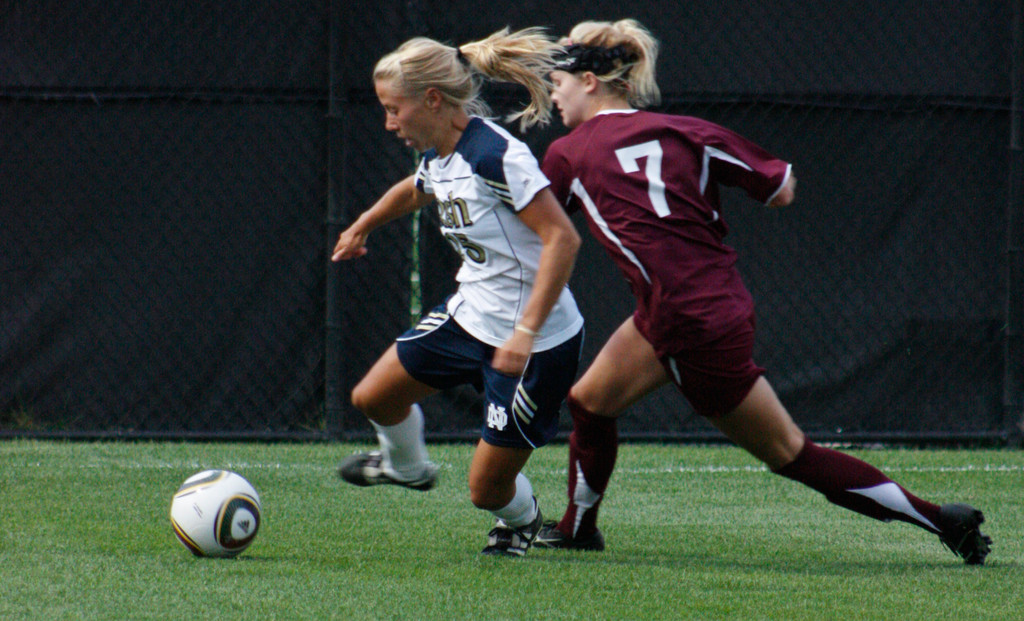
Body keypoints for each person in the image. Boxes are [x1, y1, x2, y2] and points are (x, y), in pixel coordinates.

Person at [532, 18, 992, 565]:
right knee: (589, 402)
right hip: (700, 304)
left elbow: (540, 225)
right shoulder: (687, 131)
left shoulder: (569, 152)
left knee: (789, 452)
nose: (553, 94)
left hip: (687, 321)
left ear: (590, 81)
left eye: (559, 82)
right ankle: (579, 528)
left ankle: (942, 520)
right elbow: (781, 189)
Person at [331, 27, 584, 557]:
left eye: (394, 109)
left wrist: (525, 333)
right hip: (471, 317)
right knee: (373, 397)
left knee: (485, 491)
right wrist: (363, 225)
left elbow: (562, 238)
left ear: (432, 99)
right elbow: (417, 189)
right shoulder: (440, 153)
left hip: (534, 344)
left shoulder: (494, 155)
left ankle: (522, 521)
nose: (389, 123)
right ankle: (408, 469)